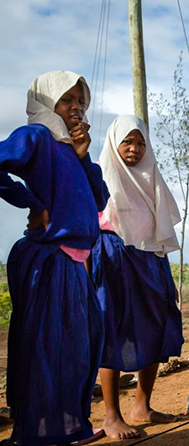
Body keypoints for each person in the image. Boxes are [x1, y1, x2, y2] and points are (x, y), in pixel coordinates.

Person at [0, 71, 109, 445]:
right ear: (48, 102)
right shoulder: (37, 136)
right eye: (67, 101)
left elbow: (99, 201)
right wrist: (30, 203)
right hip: (49, 259)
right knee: (46, 350)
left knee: (78, 350)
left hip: (75, 263)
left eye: (81, 101)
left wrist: (83, 158)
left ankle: (67, 428)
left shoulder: (69, 147)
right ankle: (35, 434)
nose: (76, 108)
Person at [92, 115, 184, 439]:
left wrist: (167, 277)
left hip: (151, 260)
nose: (135, 149)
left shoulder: (151, 180)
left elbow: (158, 232)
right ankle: (111, 416)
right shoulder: (101, 178)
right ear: (115, 144)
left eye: (141, 142)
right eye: (128, 142)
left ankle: (142, 406)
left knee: (158, 326)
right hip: (115, 258)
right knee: (112, 332)